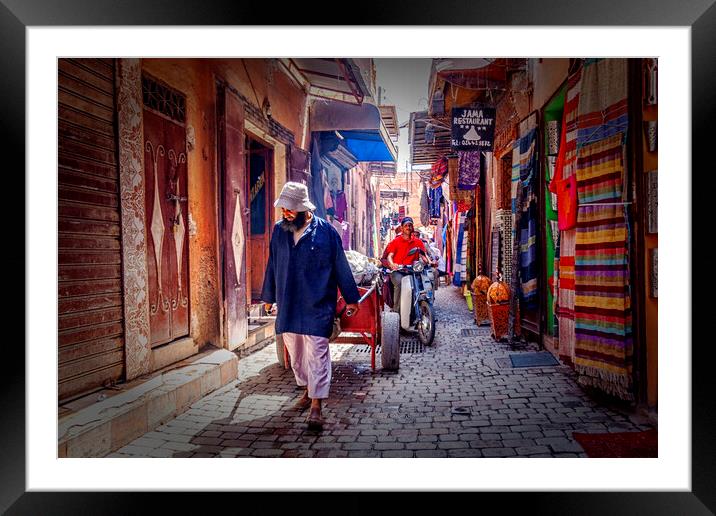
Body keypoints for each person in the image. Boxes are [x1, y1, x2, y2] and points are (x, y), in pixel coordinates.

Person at [261, 182, 360, 431]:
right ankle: (307, 389)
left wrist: (351, 297)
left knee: (317, 353)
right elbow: (272, 264)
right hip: (289, 303)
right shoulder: (279, 231)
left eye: (290, 210)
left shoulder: (327, 232)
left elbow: (340, 266)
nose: (285, 213)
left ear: (305, 209)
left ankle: (317, 404)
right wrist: (268, 297)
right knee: (296, 355)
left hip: (317, 303)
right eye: (284, 209)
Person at [383, 217, 430, 313]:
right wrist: (392, 264)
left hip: (413, 271)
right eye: (406, 225)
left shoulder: (418, 242)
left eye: (410, 225)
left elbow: (424, 255)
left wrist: (427, 261)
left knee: (425, 282)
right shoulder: (395, 242)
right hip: (398, 271)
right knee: (400, 283)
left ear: (412, 227)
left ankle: (423, 307)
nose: (408, 227)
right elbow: (389, 256)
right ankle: (396, 310)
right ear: (402, 228)